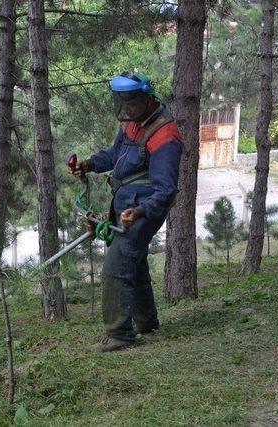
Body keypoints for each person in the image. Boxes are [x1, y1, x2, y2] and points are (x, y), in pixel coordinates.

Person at [71, 72, 183, 352]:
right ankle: (146, 321)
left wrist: (140, 211)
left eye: (131, 102)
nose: (126, 108)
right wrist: (88, 164)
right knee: (135, 261)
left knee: (116, 266)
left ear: (147, 97)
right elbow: (113, 156)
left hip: (143, 210)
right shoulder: (133, 124)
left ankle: (119, 334)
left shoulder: (165, 135)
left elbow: (166, 191)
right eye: (122, 102)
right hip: (126, 206)